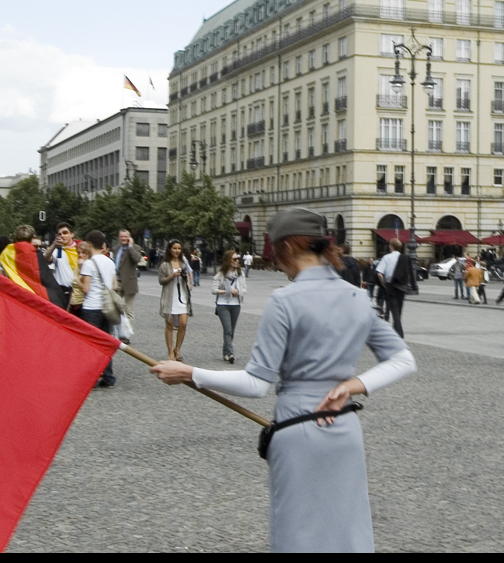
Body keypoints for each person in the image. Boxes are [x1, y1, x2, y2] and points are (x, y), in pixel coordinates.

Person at [149, 207, 417, 552]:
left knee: (298, 533)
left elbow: (256, 383)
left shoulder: (285, 300)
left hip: (297, 429)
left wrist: (190, 373)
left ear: (288, 247)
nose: (275, 262)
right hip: (345, 429)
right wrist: (353, 385)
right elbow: (403, 359)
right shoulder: (357, 297)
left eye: (275, 253)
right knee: (347, 532)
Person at [78, 230, 118, 388]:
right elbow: (114, 285)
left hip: (91, 307)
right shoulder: (110, 261)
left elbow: (86, 288)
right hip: (107, 307)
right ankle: (109, 376)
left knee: (91, 345)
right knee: (106, 342)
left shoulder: (89, 263)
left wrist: (77, 280)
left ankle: (91, 377)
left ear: (89, 244)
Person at [158, 240, 194, 361]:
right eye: (174, 248)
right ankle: (170, 352)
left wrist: (186, 279)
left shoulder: (183, 263)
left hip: (182, 296)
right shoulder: (165, 264)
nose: (177, 251)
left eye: (179, 248)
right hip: (170, 297)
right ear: (170, 249)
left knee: (183, 324)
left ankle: (177, 348)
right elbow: (161, 280)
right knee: (170, 324)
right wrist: (171, 276)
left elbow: (189, 277)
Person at [213, 250, 245, 363]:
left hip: (236, 304)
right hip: (223, 304)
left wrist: (238, 292)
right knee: (227, 330)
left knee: (231, 330)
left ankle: (225, 352)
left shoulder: (240, 274)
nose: (237, 261)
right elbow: (213, 290)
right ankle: (231, 353)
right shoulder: (221, 274)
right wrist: (226, 291)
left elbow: (244, 289)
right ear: (228, 261)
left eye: (238, 259)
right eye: (235, 259)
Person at [376, 238, 410, 338]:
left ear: (391, 246)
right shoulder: (404, 258)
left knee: (394, 310)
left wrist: (384, 284)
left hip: (391, 287)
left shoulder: (386, 257)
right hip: (402, 287)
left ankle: (399, 333)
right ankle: (397, 331)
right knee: (398, 311)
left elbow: (379, 274)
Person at [114, 229, 144, 341]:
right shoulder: (116, 248)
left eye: (125, 236)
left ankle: (126, 335)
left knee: (129, 310)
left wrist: (130, 246)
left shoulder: (135, 248)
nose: (123, 239)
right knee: (116, 306)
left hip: (129, 282)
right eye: (121, 237)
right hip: (117, 281)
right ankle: (117, 331)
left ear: (129, 237)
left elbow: (137, 259)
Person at [45, 223, 80, 310]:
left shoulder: (80, 250)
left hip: (77, 292)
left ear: (72, 234)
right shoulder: (58, 251)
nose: (62, 236)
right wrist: (54, 245)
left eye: (65, 233)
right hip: (62, 291)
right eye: (60, 234)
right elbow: (46, 258)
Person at [66, 241, 94, 316]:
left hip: (83, 304)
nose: (81, 255)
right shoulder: (76, 268)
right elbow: (73, 289)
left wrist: (81, 267)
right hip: (73, 303)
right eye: (78, 252)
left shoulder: (89, 267)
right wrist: (68, 307)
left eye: (84, 252)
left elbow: (85, 288)